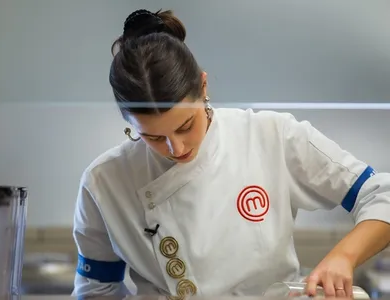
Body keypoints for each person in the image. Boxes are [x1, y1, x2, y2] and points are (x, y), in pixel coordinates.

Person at [72, 8, 390, 299]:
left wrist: (344, 256)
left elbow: (380, 196)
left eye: (185, 126)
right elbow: (97, 288)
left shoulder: (271, 136)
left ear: (204, 86)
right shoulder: (104, 183)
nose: (176, 148)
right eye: (152, 137)